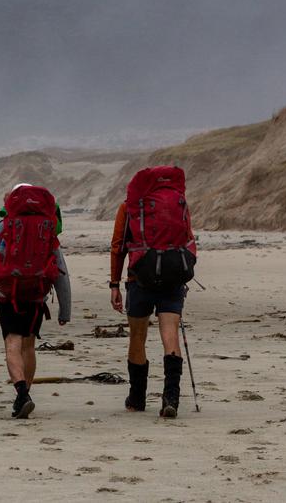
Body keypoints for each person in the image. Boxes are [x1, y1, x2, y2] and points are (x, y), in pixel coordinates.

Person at [0, 184, 71, 419]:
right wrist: (65, 310)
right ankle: (25, 395)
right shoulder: (46, 228)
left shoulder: (3, 226)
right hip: (36, 296)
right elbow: (61, 270)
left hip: (9, 295)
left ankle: (21, 393)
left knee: (12, 343)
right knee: (29, 345)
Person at [110, 166, 197, 418]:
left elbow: (118, 247)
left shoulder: (129, 207)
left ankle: (137, 398)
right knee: (170, 335)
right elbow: (188, 239)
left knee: (137, 337)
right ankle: (171, 397)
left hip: (140, 279)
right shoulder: (178, 203)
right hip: (173, 277)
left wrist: (114, 284)